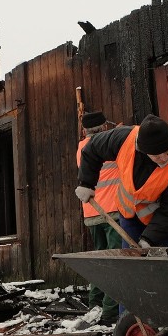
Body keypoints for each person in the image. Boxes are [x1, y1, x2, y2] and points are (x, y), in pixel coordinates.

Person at [75, 114, 168, 249]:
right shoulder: (123, 138)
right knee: (132, 262)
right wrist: (86, 184)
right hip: (128, 214)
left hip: (165, 221)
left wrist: (149, 239)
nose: (164, 158)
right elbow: (92, 149)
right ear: (143, 151)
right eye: (157, 155)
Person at [76, 110, 122, 325]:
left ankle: (95, 304)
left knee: (101, 259)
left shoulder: (81, 148)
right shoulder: (109, 145)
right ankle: (110, 313)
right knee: (114, 263)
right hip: (112, 211)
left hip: (92, 212)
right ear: (104, 127)